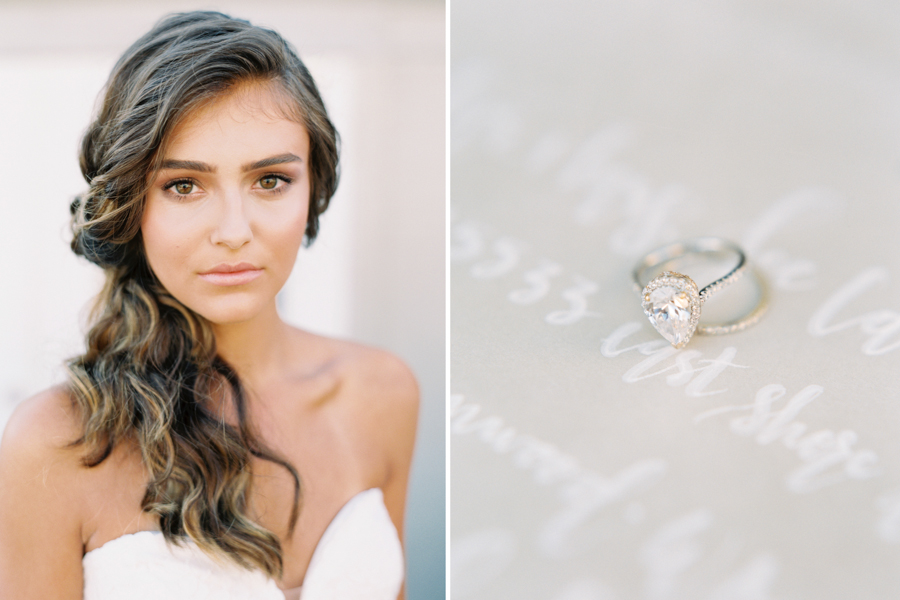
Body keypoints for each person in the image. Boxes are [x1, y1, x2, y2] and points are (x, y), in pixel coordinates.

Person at [0, 11, 418, 600]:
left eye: (270, 180)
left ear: (313, 187)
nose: (233, 230)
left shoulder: (382, 393)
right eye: (184, 186)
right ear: (131, 203)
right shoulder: (53, 445)